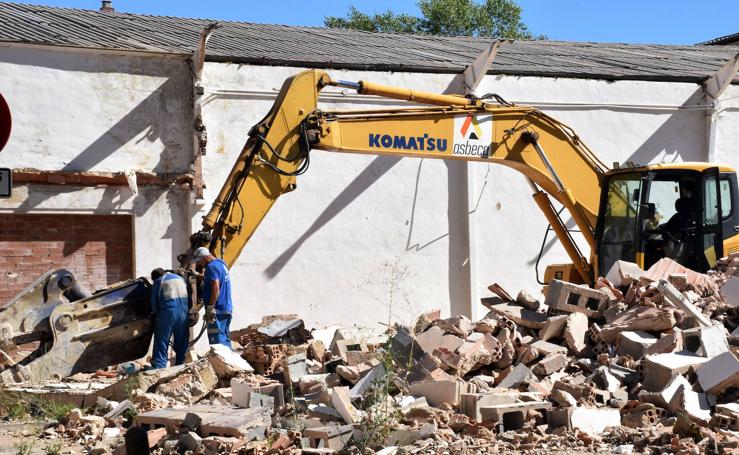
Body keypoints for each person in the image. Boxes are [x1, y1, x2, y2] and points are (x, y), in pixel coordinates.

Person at [193, 247, 233, 348]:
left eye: (200, 261)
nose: (200, 264)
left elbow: (216, 286)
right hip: (226, 308)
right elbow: (213, 279)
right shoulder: (220, 263)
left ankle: (222, 363)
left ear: (205, 257)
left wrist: (210, 307)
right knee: (224, 338)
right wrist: (197, 275)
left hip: (217, 310)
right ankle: (229, 362)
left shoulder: (211, 267)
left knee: (217, 342)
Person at [149, 268, 190, 369]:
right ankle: (181, 365)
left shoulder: (159, 281)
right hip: (184, 312)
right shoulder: (181, 279)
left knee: (161, 340)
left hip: (167, 312)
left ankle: (159, 367)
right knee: (182, 340)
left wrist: (155, 314)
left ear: (155, 278)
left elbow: (154, 303)